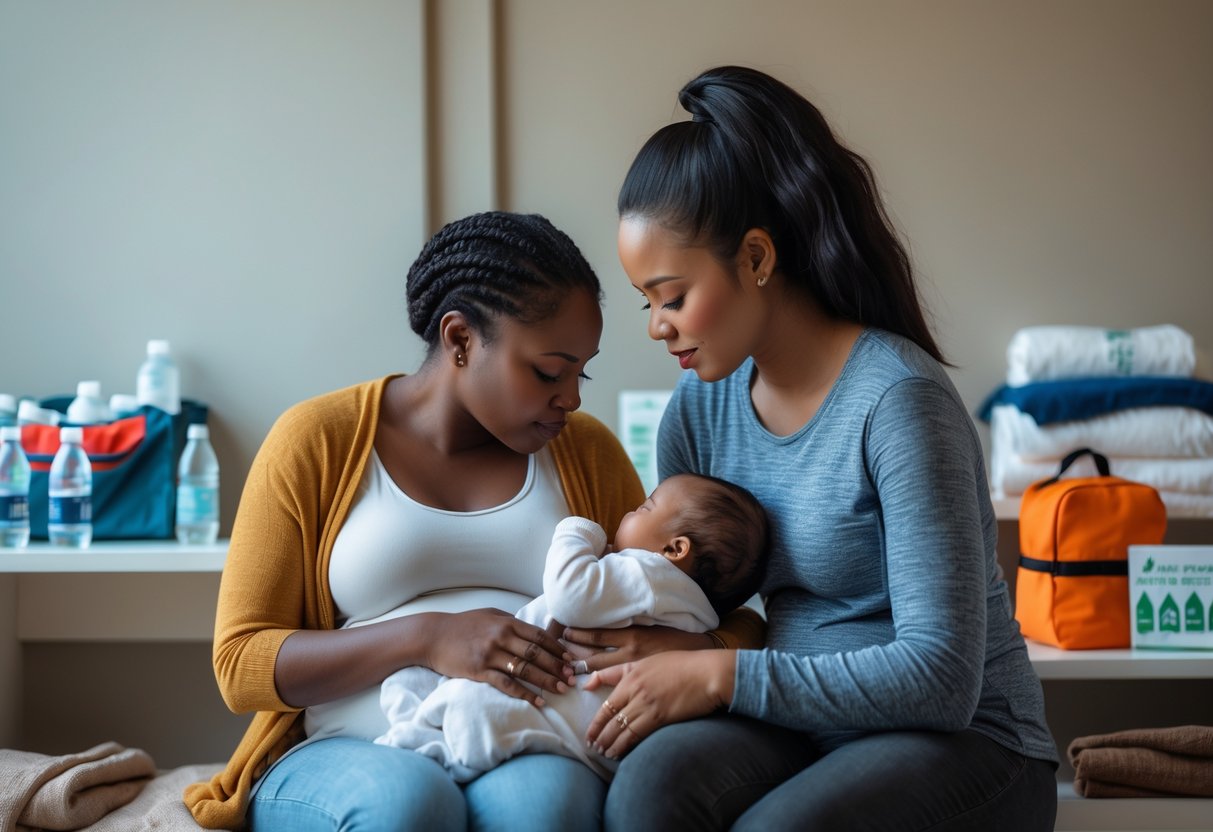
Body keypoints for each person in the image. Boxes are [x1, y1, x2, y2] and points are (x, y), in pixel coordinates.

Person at [585, 65, 1060, 831]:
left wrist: (719, 672)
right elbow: (698, 602)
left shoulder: (897, 401)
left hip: (969, 743)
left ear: (757, 259)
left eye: (672, 297)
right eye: (646, 301)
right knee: (645, 790)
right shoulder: (699, 410)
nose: (656, 326)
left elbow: (940, 680)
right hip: (803, 729)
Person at [183, 211, 765, 832]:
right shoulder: (318, 440)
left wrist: (690, 649)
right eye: (548, 371)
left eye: (580, 372)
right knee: (408, 806)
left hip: (523, 737)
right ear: (460, 339)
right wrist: (429, 637)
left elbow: (727, 619)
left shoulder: (585, 451)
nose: (571, 398)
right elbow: (241, 665)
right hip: (343, 747)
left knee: (551, 808)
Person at [375, 472, 770, 781]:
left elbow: (570, 595)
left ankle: (429, 740)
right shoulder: (695, 612)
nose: (629, 513)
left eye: (644, 507)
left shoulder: (647, 573)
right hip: (587, 727)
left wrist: (576, 531)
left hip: (543, 692)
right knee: (468, 707)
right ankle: (436, 738)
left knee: (462, 701)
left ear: (675, 549)